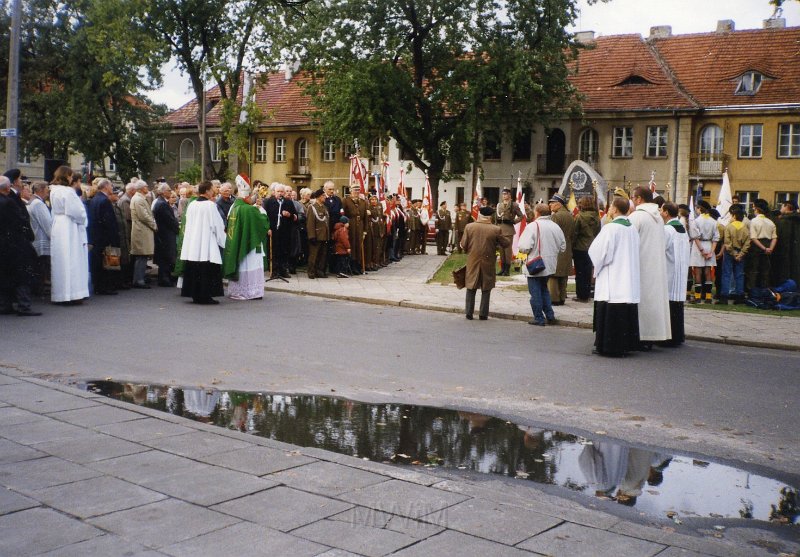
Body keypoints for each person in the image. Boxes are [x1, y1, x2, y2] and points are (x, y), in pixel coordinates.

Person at [589, 197, 641, 357]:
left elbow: (599, 251)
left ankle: (609, 345)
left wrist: (597, 265)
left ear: (616, 209)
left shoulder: (610, 228)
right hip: (628, 276)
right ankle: (625, 345)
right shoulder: (631, 227)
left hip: (613, 275)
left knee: (611, 307)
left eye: (611, 206)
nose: (609, 209)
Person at [628, 187, 671, 347]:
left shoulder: (637, 216)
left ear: (639, 199)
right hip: (655, 264)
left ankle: (640, 337)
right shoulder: (658, 217)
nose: (632, 200)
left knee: (641, 301)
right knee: (652, 301)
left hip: (641, 263)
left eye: (633, 197)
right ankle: (651, 335)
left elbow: (628, 240)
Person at [518, 203, 566, 326]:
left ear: (537, 213)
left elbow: (524, 247)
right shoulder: (556, 226)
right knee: (544, 289)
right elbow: (563, 247)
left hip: (536, 263)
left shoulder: (533, 226)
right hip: (550, 264)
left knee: (535, 293)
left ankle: (538, 318)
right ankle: (550, 315)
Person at [0, 175, 41, 315]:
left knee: (5, 275)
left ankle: (5, 305)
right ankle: (24, 305)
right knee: (22, 275)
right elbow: (20, 221)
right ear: (7, 187)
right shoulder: (9, 202)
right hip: (15, 243)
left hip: (3, 243)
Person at [460, 206, 510, 320]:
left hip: (473, 259)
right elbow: (505, 244)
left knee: (471, 286)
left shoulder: (469, 227)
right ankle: (483, 314)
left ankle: (469, 312)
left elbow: (463, 245)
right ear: (490, 216)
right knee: (486, 288)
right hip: (488, 260)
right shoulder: (496, 229)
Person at [180, 181, 227, 304]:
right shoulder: (210, 205)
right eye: (212, 189)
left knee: (195, 268)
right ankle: (206, 296)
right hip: (206, 241)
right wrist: (223, 240)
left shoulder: (192, 204)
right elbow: (217, 225)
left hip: (193, 242)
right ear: (206, 191)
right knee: (207, 269)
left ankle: (195, 294)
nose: (214, 192)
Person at [223, 179, 269, 300]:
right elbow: (263, 223)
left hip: (237, 242)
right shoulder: (249, 209)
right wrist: (261, 212)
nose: (251, 199)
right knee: (250, 266)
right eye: (250, 197)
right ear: (246, 197)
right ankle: (252, 291)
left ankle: (238, 290)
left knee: (242, 266)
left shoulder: (234, 207)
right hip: (249, 245)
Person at [49, 166, 90, 304]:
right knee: (73, 259)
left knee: (61, 260)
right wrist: (84, 219)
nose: (72, 178)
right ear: (67, 176)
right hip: (69, 226)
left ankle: (61, 294)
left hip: (59, 225)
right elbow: (77, 212)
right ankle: (73, 294)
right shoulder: (68, 192)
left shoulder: (54, 191)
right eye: (71, 176)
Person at [661, 202, 690, 346]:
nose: (660, 212)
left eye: (661, 210)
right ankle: (677, 336)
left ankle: (667, 338)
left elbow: (661, 249)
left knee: (668, 304)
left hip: (669, 270)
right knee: (676, 304)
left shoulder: (667, 229)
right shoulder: (682, 228)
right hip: (681, 270)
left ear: (666, 213)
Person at [87, 178, 121, 295]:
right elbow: (109, 222)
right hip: (104, 237)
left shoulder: (95, 199)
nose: (112, 188)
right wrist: (114, 238)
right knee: (105, 263)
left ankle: (99, 286)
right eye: (111, 186)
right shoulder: (104, 200)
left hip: (96, 236)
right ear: (106, 187)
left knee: (98, 263)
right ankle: (104, 287)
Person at [263, 183, 297, 279]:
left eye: (282, 191)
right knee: (273, 251)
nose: (280, 193)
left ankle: (283, 270)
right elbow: (265, 217)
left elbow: (295, 217)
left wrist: (289, 215)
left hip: (285, 231)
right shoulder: (269, 202)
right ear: (274, 192)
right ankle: (273, 270)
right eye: (278, 191)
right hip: (273, 231)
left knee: (284, 251)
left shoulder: (288, 202)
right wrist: (267, 228)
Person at [688, 200, 719, 303]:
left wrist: (701, 250)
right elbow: (716, 238)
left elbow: (695, 237)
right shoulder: (713, 221)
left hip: (699, 246)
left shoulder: (696, 221)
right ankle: (708, 297)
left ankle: (697, 297)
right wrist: (711, 252)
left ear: (700, 209)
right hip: (709, 244)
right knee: (707, 272)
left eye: (697, 208)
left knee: (697, 271)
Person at [572, 197, 601, 302]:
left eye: (580, 203)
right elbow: (598, 232)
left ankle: (581, 295)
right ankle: (587, 294)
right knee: (588, 271)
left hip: (580, 247)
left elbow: (575, 233)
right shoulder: (597, 217)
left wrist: (572, 245)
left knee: (580, 272)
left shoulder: (579, 217)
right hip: (592, 247)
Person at [547, 193, 574, 305]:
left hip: (557, 247)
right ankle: (562, 296)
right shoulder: (570, 215)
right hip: (567, 246)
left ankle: (554, 298)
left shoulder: (556, 216)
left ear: (559, 204)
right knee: (563, 275)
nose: (550, 205)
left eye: (552, 203)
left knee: (553, 275)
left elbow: (552, 233)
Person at [27, 181, 52, 296]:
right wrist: (53, 237)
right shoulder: (38, 203)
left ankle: (40, 288)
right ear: (41, 190)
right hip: (42, 240)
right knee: (43, 267)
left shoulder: (34, 201)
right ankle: (40, 290)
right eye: (47, 189)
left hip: (38, 238)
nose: (48, 191)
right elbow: (47, 223)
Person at [720, 207, 750, 304]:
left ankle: (724, 296)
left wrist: (733, 253)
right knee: (739, 274)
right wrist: (741, 254)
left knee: (726, 274)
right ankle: (739, 296)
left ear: (734, 216)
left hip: (730, 253)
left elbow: (727, 242)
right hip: (741, 252)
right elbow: (747, 243)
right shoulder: (745, 227)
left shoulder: (729, 227)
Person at [130, 180, 157, 289]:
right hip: (141, 230)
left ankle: (140, 278)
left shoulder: (140, 198)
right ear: (141, 188)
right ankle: (138, 280)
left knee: (143, 255)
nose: (148, 188)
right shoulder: (138, 199)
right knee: (141, 255)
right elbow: (144, 216)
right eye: (146, 186)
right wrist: (154, 225)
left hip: (143, 230)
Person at [152, 184, 180, 287]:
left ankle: (165, 277)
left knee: (165, 257)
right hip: (166, 234)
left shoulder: (161, 202)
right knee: (166, 257)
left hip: (163, 234)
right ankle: (164, 279)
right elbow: (170, 220)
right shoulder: (162, 204)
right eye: (169, 190)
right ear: (163, 192)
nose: (170, 191)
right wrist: (177, 229)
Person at [748, 200, 777, 289]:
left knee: (753, 270)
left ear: (756, 209)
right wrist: (770, 249)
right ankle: (764, 291)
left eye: (753, 207)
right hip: (768, 245)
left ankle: (752, 291)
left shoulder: (754, 221)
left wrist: (763, 248)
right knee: (765, 271)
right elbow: (774, 238)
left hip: (757, 246)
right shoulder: (770, 222)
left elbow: (753, 237)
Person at [495, 188, 524, 275]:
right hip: (500, 229)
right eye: (503, 194)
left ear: (509, 195)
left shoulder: (514, 205)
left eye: (506, 194)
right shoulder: (499, 205)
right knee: (501, 250)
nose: (504, 196)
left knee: (507, 250)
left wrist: (513, 221)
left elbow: (521, 216)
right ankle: (502, 269)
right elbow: (496, 218)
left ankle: (507, 270)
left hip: (508, 229)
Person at [773, 201, 800, 285]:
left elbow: (778, 237)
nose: (781, 209)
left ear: (787, 207)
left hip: (784, 252)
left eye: (782, 207)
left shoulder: (782, 221)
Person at [306, 189, 330, 279]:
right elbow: (310, 223)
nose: (325, 198)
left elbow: (327, 222)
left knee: (322, 255)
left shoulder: (324, 207)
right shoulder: (312, 207)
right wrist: (311, 236)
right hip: (316, 235)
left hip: (324, 235)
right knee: (314, 255)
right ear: (319, 197)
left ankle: (320, 271)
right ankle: (311, 272)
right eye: (323, 196)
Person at [323, 180, 343, 273]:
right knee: (325, 249)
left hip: (336, 227)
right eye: (330, 189)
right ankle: (325, 267)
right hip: (326, 227)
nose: (332, 191)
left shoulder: (337, 199)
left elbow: (341, 212)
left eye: (333, 189)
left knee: (335, 247)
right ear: (325, 189)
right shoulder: (323, 199)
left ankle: (334, 268)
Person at [365, 195, 385, 270]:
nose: (374, 201)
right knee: (371, 248)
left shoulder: (378, 209)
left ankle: (376, 262)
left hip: (378, 231)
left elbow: (380, 220)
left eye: (375, 199)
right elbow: (371, 214)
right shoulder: (369, 208)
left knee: (377, 248)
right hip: (371, 231)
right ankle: (369, 263)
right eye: (372, 200)